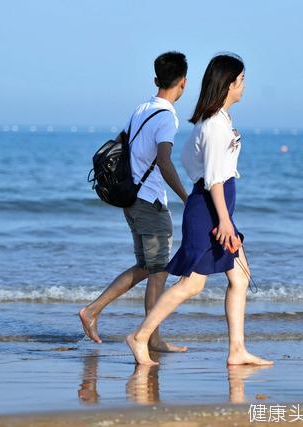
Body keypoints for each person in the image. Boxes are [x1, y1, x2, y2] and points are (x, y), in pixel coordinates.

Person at [126, 53, 274, 366]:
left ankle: (237, 351)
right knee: (192, 283)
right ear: (229, 83)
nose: (244, 85)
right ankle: (140, 337)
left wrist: (224, 216)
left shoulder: (217, 120)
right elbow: (215, 180)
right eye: (242, 79)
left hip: (214, 207)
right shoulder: (214, 126)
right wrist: (224, 222)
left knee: (241, 278)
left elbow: (194, 163)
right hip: (209, 210)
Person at [79, 51, 189, 353]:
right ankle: (151, 339)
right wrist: (187, 197)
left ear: (156, 80)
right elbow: (165, 162)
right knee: (158, 272)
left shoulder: (141, 109)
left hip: (131, 199)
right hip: (150, 201)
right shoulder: (167, 117)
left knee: (147, 267)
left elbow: (119, 144)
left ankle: (93, 310)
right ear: (183, 82)